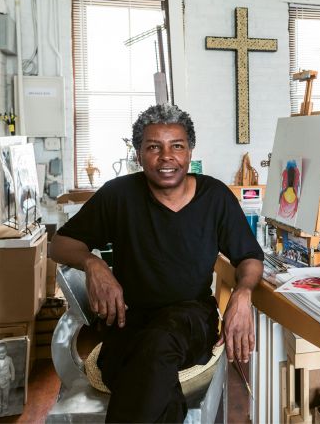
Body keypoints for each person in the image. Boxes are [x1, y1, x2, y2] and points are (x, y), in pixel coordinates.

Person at [50, 104, 264, 423]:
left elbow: (249, 257)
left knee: (156, 346)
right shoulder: (119, 195)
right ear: (139, 154)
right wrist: (92, 263)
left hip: (191, 318)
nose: (166, 157)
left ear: (189, 151)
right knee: (144, 369)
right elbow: (59, 244)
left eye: (176, 146)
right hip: (129, 320)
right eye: (153, 147)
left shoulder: (214, 197)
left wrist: (243, 293)